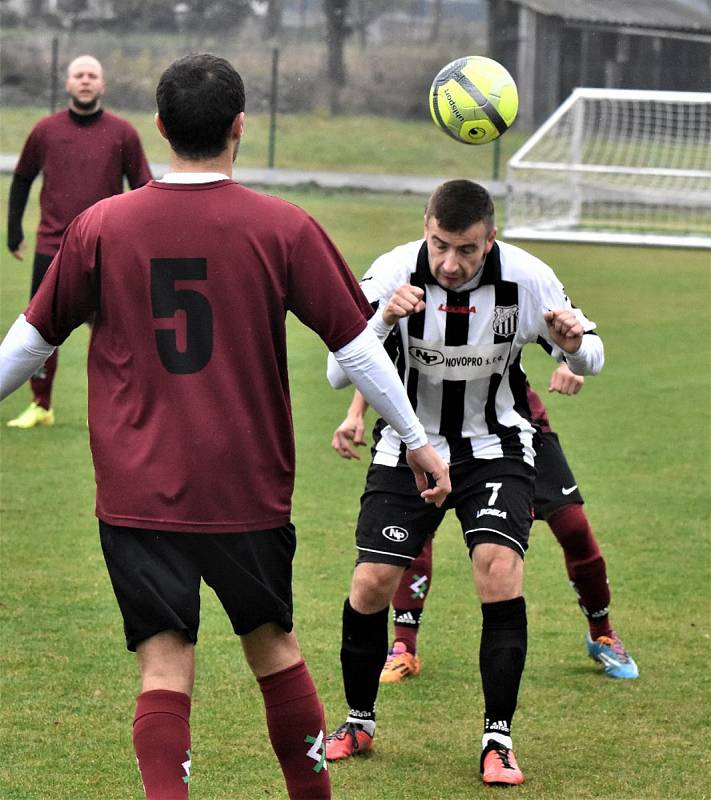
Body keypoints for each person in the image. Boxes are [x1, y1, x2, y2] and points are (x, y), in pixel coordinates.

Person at [0, 54, 450, 800]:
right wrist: (416, 438)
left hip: (139, 489)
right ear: (239, 127)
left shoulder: (99, 226)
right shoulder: (284, 226)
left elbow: (29, 344)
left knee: (164, 662)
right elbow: (356, 347)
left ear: (159, 128)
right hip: (246, 486)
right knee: (274, 649)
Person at [323, 179, 605, 788]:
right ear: (424, 227)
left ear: (491, 240)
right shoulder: (392, 271)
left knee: (498, 568)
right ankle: (357, 721)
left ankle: (497, 740)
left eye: (467, 250)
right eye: (440, 245)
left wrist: (573, 346)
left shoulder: (528, 278)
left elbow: (592, 354)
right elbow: (335, 372)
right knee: (372, 581)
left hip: (496, 444)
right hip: (409, 443)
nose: (450, 263)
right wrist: (379, 319)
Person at [332, 363, 638, 684]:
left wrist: (569, 360)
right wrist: (356, 412)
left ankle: (602, 633)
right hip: (426, 431)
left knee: (572, 525)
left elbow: (559, 322)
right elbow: (377, 347)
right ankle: (404, 644)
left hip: (510, 428)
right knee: (413, 527)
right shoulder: (413, 309)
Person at [6, 54, 152, 429]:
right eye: (79, 75)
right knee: (40, 328)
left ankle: (132, 404)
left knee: (118, 330)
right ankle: (41, 405)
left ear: (102, 85)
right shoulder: (45, 131)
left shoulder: (123, 133)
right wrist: (14, 229)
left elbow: (143, 189)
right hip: (52, 247)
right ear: (68, 83)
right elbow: (22, 178)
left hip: (107, 248)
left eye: (92, 75)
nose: (85, 81)